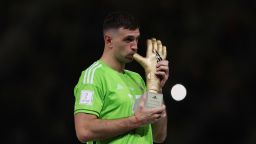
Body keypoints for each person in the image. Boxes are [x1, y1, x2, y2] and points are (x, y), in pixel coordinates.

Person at [74, 11, 169, 144]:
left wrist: (156, 87)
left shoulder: (137, 79)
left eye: (137, 39)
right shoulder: (94, 76)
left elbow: (158, 136)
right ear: (109, 40)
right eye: (128, 39)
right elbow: (84, 131)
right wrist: (136, 120)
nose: (135, 46)